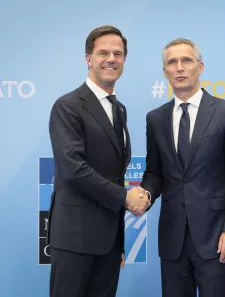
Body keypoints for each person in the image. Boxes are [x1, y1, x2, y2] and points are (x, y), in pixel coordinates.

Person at [140, 38, 225, 297]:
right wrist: (144, 194)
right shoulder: (155, 119)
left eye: (186, 60)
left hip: (216, 237)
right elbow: (155, 172)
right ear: (165, 71)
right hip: (172, 239)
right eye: (172, 62)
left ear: (200, 67)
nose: (179, 67)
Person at [47, 25, 149, 297]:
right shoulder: (68, 105)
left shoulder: (119, 109)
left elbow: (113, 172)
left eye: (118, 53)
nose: (111, 59)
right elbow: (73, 169)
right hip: (74, 238)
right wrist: (125, 198)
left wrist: (117, 241)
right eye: (103, 52)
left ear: (125, 60)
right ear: (88, 59)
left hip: (109, 240)